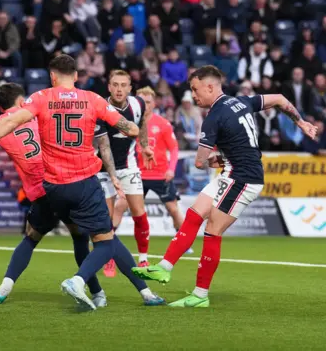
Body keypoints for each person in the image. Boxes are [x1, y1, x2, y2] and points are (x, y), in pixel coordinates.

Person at [0, 55, 156, 312]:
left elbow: (10, 121)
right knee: (104, 241)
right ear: (75, 76)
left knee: (34, 237)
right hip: (83, 182)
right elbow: (130, 129)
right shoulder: (92, 99)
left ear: (52, 76)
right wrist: (134, 129)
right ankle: (96, 285)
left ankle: (14, 287)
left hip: (50, 189)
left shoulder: (40, 98)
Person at [131, 65, 318, 307]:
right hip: (232, 173)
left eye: (196, 89)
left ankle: (199, 296)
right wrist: (301, 123)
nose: (194, 95)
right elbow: (281, 99)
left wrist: (211, 158)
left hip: (243, 178)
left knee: (212, 230)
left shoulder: (215, 117)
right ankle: (164, 267)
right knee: (194, 212)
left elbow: (199, 162)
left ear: (210, 87)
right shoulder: (241, 101)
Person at [94, 70, 153, 277]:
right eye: (115, 85)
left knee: (140, 213)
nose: (119, 89)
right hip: (102, 169)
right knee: (107, 218)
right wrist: (112, 177)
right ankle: (107, 257)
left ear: (130, 88)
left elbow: (142, 125)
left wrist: (144, 146)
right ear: (109, 87)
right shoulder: (101, 107)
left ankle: (144, 259)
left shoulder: (138, 104)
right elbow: (104, 148)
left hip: (128, 166)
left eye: (123, 85)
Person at [134, 86, 192, 255]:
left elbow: (174, 149)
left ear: (153, 104)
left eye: (148, 102)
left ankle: (184, 242)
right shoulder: (130, 123)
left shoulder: (162, 124)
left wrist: (171, 170)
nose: (144, 105)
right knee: (122, 206)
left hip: (160, 174)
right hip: (136, 174)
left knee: (173, 209)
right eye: (141, 101)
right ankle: (108, 239)